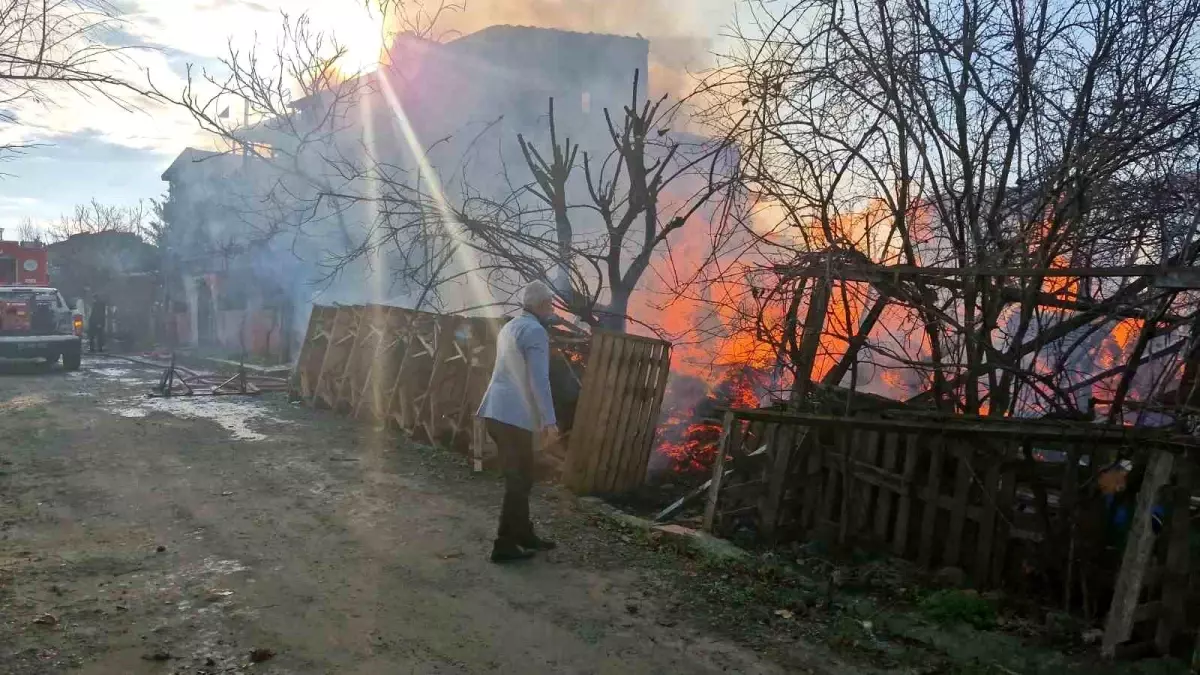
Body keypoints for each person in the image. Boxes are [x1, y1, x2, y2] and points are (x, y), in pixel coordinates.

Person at [476, 280, 560, 563]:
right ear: (538, 306)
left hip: (497, 412)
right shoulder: (535, 331)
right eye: (549, 304)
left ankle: (524, 534)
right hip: (513, 416)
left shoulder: (511, 326)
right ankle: (503, 545)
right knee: (518, 480)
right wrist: (550, 421)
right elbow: (540, 380)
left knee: (523, 476)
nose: (551, 308)